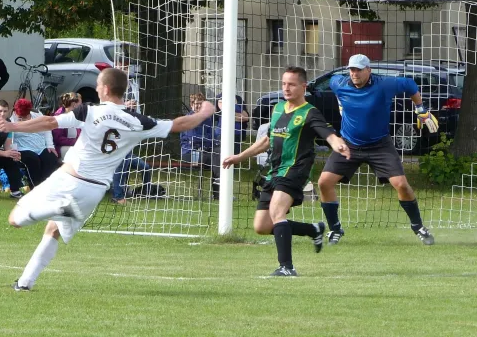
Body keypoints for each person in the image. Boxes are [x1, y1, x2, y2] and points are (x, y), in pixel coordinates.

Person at [0, 67, 215, 291]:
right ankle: (24, 283)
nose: (96, 88)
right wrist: (203, 113)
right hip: (93, 193)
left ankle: (58, 207)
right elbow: (178, 124)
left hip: (68, 180)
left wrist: (13, 125)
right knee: (53, 230)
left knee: (15, 219)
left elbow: (50, 122)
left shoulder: (89, 111)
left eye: (98, 84)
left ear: (106, 89)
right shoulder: (138, 120)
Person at [223, 66, 350, 277]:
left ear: (303, 86)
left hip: (296, 170)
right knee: (262, 226)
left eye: (291, 84)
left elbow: (328, 133)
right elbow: (267, 140)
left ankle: (287, 267)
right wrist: (239, 157)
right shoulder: (278, 108)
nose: (286, 88)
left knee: (277, 212)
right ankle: (313, 230)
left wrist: (338, 144)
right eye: (284, 84)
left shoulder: (310, 112)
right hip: (275, 171)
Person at [318, 54, 437, 246]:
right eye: (351, 69)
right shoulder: (339, 83)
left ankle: (418, 227)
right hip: (349, 144)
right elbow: (333, 82)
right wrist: (341, 102)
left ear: (368, 70)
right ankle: (335, 229)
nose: (354, 73)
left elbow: (410, 85)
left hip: (380, 145)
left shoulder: (384, 85)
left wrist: (420, 108)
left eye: (358, 69)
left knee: (401, 185)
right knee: (324, 182)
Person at [10, 99, 60, 188]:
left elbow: (47, 129)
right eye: (20, 116)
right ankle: (36, 187)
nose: (22, 118)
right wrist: (13, 152)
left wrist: (50, 145)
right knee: (33, 159)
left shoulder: (38, 115)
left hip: (41, 147)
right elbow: (10, 138)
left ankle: (46, 186)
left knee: (51, 157)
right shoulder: (12, 120)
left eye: (25, 116)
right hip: (23, 149)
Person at [180, 92, 221, 199]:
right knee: (216, 157)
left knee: (219, 154)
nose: (198, 106)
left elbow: (212, 136)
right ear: (191, 105)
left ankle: (218, 193)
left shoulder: (207, 118)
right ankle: (218, 194)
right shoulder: (188, 118)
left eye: (201, 104)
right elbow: (193, 139)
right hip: (190, 153)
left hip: (205, 151)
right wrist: (209, 140)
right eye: (196, 103)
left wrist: (210, 140)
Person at [52, 92, 82, 158]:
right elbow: (58, 139)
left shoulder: (76, 115)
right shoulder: (59, 117)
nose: (82, 106)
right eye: (80, 104)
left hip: (74, 144)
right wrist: (76, 141)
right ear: (74, 104)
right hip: (61, 147)